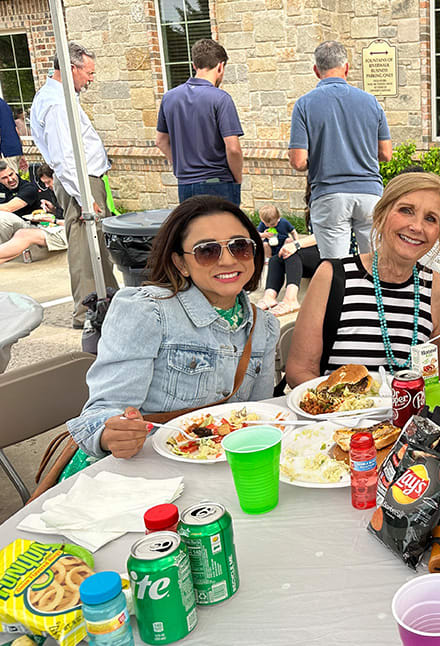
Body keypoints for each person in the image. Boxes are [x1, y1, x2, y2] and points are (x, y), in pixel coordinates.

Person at [65, 195, 279, 470]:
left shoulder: (265, 326)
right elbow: (102, 411)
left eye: (240, 247)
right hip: (136, 469)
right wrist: (112, 434)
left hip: (216, 471)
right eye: (207, 250)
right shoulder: (147, 311)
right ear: (180, 264)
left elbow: (258, 416)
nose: (227, 260)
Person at [285, 172, 440, 383]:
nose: (417, 227)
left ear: (438, 232)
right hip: (337, 414)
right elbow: (299, 371)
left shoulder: (435, 287)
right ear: (381, 215)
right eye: (406, 210)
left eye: (430, 218)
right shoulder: (333, 276)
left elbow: (439, 377)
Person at [31, 41, 119, 329]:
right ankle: (87, 313)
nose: (91, 79)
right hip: (78, 183)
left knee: (96, 244)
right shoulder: (57, 103)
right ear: (72, 68)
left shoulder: (59, 98)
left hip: (84, 180)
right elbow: (64, 157)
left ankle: (109, 302)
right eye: (89, 73)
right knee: (84, 247)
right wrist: (83, 196)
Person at [289, 41, 392, 257]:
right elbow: (386, 154)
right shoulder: (371, 102)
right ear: (347, 67)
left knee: (335, 269)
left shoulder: (304, 104)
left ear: (316, 70)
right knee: (376, 265)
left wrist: (324, 156)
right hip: (369, 195)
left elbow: (298, 162)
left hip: (329, 195)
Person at [156, 39, 244, 205]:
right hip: (218, 184)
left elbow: (161, 141)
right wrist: (237, 180)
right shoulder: (221, 99)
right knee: (223, 231)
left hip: (185, 186)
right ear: (221, 66)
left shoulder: (169, 98)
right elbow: (233, 149)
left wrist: (182, 167)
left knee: (193, 231)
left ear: (195, 66)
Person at [0, 98, 26, 174]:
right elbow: (15, 129)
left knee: (10, 181)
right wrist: (21, 151)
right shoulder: (4, 104)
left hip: (6, 151)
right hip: (16, 148)